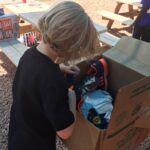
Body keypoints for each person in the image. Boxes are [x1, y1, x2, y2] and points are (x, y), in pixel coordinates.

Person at [8, 1, 100, 150]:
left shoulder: (29, 54)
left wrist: (59, 67)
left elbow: (39, 73)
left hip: (18, 136)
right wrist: (71, 98)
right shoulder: (55, 82)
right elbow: (65, 132)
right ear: (71, 47)